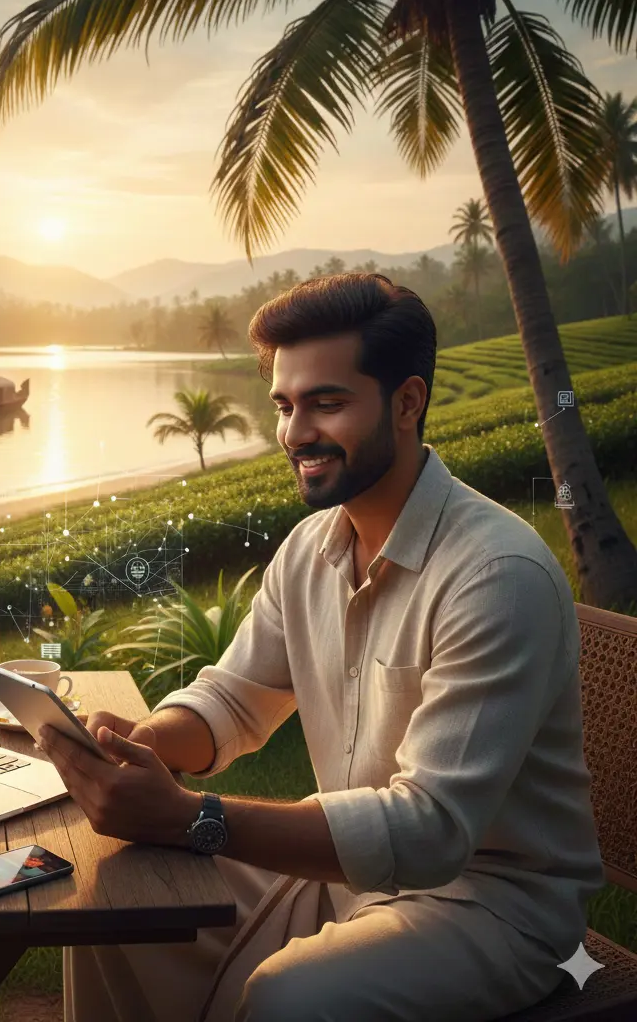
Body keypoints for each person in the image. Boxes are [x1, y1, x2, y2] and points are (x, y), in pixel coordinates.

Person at [35, 274, 604, 1022]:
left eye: (326, 403)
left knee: (290, 999)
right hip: (346, 875)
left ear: (407, 403)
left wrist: (190, 816)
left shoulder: (497, 575)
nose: (296, 431)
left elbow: (430, 830)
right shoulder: (311, 548)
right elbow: (234, 699)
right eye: (285, 404)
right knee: (114, 895)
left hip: (493, 906)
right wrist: (142, 743)